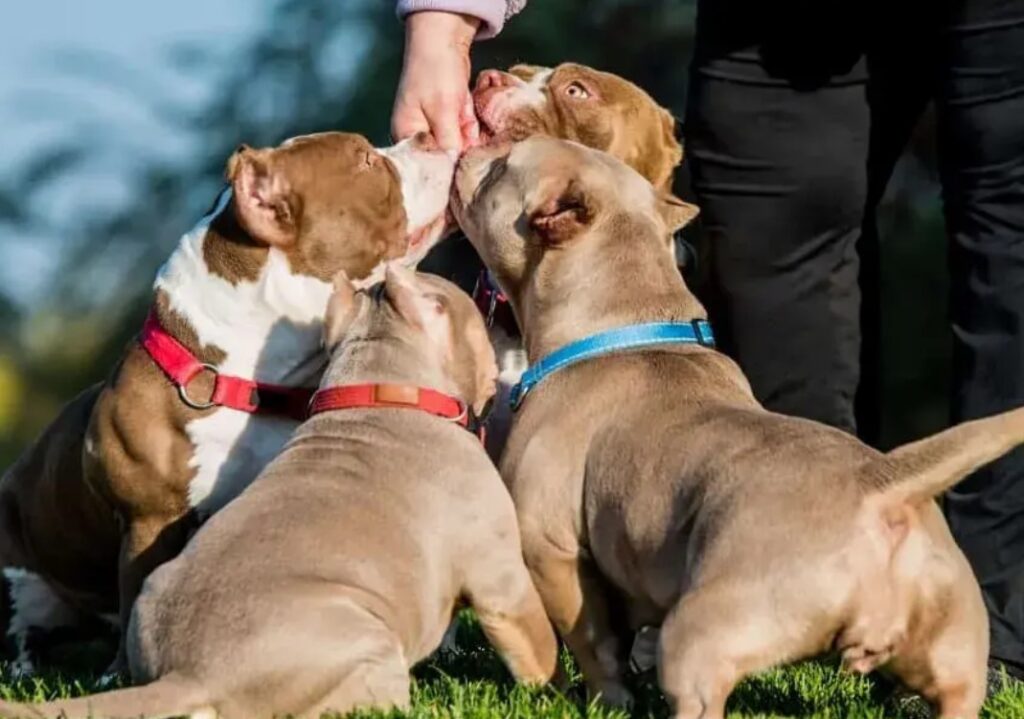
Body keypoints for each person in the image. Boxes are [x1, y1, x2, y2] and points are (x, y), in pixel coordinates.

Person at [390, 0, 1024, 688]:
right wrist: (444, 23)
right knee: (768, 249)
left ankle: (997, 629)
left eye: (572, 90)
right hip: (770, 27)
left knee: (1010, 243)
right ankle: (796, 594)